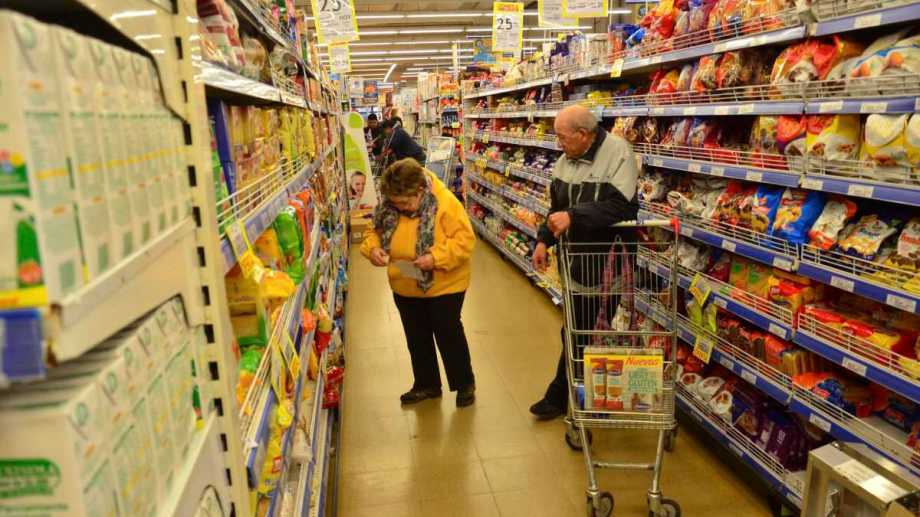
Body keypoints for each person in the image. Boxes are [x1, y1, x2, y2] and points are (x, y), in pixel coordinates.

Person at [529, 105, 639, 420]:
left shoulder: (618, 152)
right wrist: (543, 241)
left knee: (583, 331)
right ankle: (580, 396)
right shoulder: (565, 160)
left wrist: (573, 216)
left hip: (607, 262)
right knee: (578, 330)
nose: (558, 142)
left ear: (583, 134)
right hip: (576, 262)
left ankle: (566, 397)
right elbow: (556, 209)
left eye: (562, 136)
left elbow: (622, 207)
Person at [360, 158, 477, 407]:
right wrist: (372, 249)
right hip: (405, 282)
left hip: (445, 284)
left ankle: (464, 384)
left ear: (420, 190)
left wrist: (435, 257)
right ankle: (427, 384)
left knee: (448, 333)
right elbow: (374, 231)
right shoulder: (389, 204)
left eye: (404, 203)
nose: (399, 207)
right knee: (416, 336)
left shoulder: (446, 203)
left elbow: (465, 241)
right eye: (395, 203)